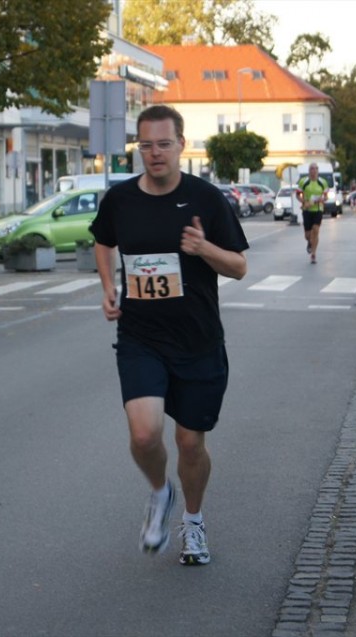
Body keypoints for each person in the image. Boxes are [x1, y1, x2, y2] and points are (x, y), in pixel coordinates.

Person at [90, 104, 249, 566]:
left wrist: (203, 248)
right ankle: (161, 493)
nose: (155, 153)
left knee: (190, 443)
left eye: (163, 144)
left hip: (198, 340)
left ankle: (193, 522)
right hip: (140, 336)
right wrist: (108, 287)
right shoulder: (120, 200)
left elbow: (239, 267)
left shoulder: (206, 199)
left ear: (181, 144)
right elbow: (103, 240)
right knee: (144, 435)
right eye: (146, 145)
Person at [296, 163, 327, 264]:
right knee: (307, 235)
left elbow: (326, 196)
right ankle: (309, 242)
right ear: (309, 171)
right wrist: (304, 202)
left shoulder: (323, 182)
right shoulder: (303, 182)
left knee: (316, 230)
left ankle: (313, 254)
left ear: (318, 170)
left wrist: (321, 199)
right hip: (307, 210)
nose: (314, 171)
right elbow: (297, 195)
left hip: (318, 209)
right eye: (311, 169)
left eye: (315, 169)